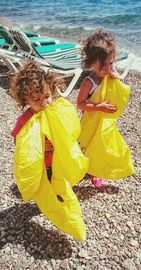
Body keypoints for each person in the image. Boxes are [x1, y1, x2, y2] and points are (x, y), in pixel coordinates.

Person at [10, 60, 88, 240]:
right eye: (36, 100)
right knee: (42, 183)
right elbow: (20, 141)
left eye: (47, 96)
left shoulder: (54, 111)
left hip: (54, 159)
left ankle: (57, 197)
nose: (44, 103)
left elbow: (69, 128)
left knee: (56, 179)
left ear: (52, 90)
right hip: (40, 162)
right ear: (25, 99)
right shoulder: (25, 120)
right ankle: (45, 200)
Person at [77, 29, 135, 188]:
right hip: (90, 120)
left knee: (101, 146)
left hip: (104, 121)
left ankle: (97, 171)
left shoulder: (109, 73)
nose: (108, 68)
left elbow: (117, 89)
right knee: (86, 144)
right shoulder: (89, 82)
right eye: (103, 64)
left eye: (110, 63)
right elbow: (80, 103)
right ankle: (83, 167)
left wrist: (115, 78)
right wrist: (99, 106)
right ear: (91, 62)